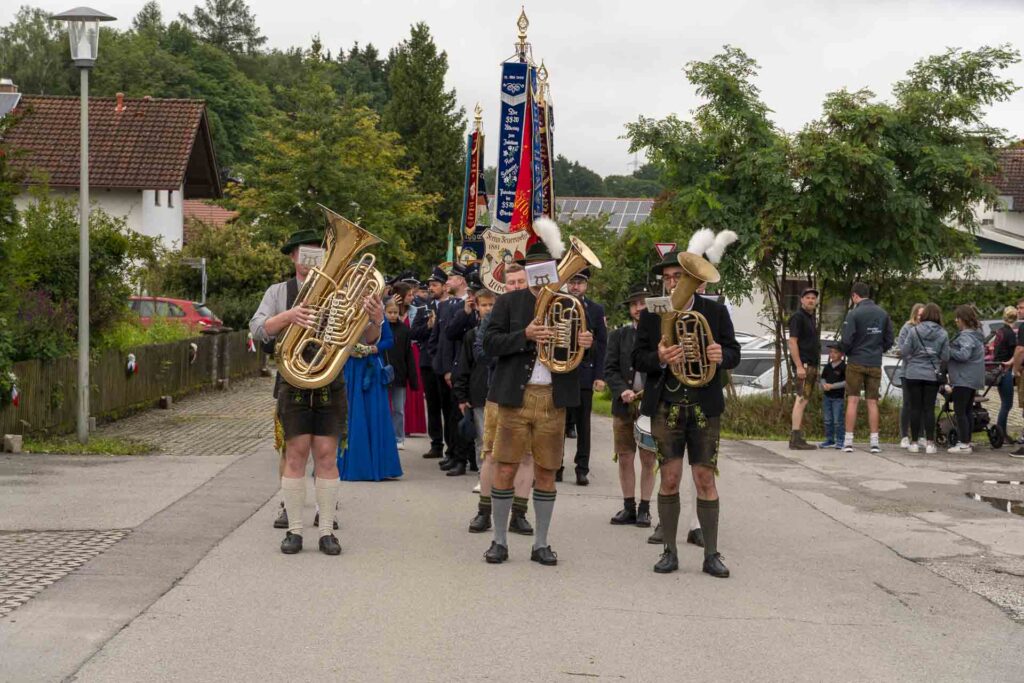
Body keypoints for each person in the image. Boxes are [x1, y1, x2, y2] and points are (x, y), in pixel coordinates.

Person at [250, 228, 384, 555]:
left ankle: (326, 531)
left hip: (329, 379)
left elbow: (367, 339)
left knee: (327, 455)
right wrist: (289, 316)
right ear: (294, 257)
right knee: (294, 454)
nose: (311, 262)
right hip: (293, 380)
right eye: (305, 254)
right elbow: (256, 329)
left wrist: (376, 320)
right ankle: (294, 530)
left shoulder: (344, 291)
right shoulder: (279, 291)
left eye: (318, 255)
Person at [481, 227, 594, 566]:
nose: (542, 273)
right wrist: (525, 334)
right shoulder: (509, 301)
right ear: (528, 271)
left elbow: (576, 354)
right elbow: (489, 344)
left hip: (552, 398)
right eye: (536, 267)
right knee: (505, 468)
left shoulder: (569, 303)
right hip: (516, 397)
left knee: (546, 471)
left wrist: (585, 346)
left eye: (548, 266)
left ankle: (541, 543)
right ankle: (499, 541)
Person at [633, 239, 741, 578]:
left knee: (705, 477)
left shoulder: (715, 312)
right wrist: (660, 359)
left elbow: (734, 352)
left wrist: (721, 355)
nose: (674, 283)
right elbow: (637, 358)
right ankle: (670, 550)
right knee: (670, 477)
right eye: (668, 278)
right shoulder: (653, 315)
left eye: (679, 276)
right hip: (667, 404)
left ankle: (711, 553)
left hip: (704, 405)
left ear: (696, 280)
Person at [467, 264, 535, 536]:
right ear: (504, 287)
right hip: (500, 390)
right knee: (491, 455)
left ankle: (519, 513)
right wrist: (519, 342)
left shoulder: (538, 310)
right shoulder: (495, 313)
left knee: (528, 456)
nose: (517, 287)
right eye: (512, 283)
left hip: (530, 391)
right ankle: (484, 510)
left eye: (521, 282)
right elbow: (482, 352)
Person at [606, 285, 656, 526]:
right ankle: (629, 506)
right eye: (635, 304)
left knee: (648, 458)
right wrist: (621, 390)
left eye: (644, 303)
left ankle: (645, 507)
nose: (639, 308)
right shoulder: (618, 336)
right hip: (624, 404)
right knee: (625, 456)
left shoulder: (659, 335)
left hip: (650, 405)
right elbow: (610, 368)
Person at [338, 308, 403, 480]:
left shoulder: (378, 312)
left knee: (375, 413)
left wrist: (373, 349)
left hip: (371, 369)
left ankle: (376, 466)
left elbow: (389, 341)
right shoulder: (344, 309)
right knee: (349, 413)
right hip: (349, 368)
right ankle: (344, 464)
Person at [560, 269, 607, 485]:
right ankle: (556, 465)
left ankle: (582, 468)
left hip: (584, 373)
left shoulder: (596, 310)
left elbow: (602, 344)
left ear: (586, 285)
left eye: (580, 283)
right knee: (558, 423)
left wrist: (599, 375)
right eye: (572, 282)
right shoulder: (558, 304)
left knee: (583, 425)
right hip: (561, 371)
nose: (575, 286)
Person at [433, 262, 477, 476]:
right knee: (453, 414)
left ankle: (466, 457)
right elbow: (446, 337)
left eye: (451, 278)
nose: (447, 282)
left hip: (472, 366)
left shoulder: (475, 303)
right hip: (456, 366)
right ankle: (455, 454)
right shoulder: (449, 305)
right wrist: (445, 367)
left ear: (461, 281)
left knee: (465, 414)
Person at [840, 282, 895, 454]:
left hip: (856, 360)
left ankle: (848, 441)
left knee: (853, 400)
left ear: (854, 296)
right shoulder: (883, 313)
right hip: (874, 362)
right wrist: (878, 350)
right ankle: (874, 442)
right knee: (872, 402)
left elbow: (847, 340)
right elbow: (889, 339)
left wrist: (849, 352)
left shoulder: (853, 314)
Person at [898, 303, 949, 454]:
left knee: (914, 408)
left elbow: (905, 351)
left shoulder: (914, 330)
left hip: (913, 373)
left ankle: (913, 442)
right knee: (928, 409)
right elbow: (945, 356)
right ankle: (930, 443)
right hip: (931, 375)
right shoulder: (943, 333)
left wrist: (915, 355)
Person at [410, 268, 448, 460]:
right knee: (433, 406)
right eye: (430, 285)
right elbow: (414, 333)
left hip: (446, 362)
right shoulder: (425, 308)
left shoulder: (451, 305)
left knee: (449, 407)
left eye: (435, 285)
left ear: (444, 286)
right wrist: (428, 326)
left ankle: (453, 447)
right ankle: (436, 444)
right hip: (428, 362)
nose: (431, 288)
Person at [946, 304, 985, 455]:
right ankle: (967, 441)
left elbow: (963, 355)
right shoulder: (977, 335)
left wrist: (948, 350)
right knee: (967, 410)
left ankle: (963, 444)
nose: (956, 321)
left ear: (962, 319)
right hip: (972, 379)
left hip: (963, 379)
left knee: (960, 411)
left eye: (957, 318)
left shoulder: (966, 336)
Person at [392, 281, 428, 437]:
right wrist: (392, 305)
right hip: (394, 352)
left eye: (412, 295)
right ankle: (396, 429)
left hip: (412, 351)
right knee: (396, 391)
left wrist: (427, 327)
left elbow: (415, 333)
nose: (412, 298)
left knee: (412, 386)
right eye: (409, 295)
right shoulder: (390, 310)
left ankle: (410, 426)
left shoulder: (415, 311)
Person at [788, 288, 820, 450]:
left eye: (813, 298)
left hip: (811, 364)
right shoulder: (798, 317)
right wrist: (799, 366)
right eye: (807, 297)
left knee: (804, 399)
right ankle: (795, 438)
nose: (810, 300)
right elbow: (792, 342)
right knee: (800, 399)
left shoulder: (811, 317)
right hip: (804, 365)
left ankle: (797, 436)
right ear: (801, 300)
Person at [384, 300, 418, 451]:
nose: (392, 315)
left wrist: (413, 378)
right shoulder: (380, 329)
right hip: (383, 373)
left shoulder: (404, 330)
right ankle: (385, 436)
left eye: (395, 312)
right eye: (389, 312)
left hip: (399, 374)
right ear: (384, 312)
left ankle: (399, 437)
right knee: (383, 407)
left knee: (398, 409)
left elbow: (408, 355)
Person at [895, 303, 925, 449]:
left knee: (921, 405)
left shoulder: (928, 329)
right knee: (908, 404)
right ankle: (904, 436)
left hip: (923, 373)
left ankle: (920, 435)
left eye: (923, 315)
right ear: (914, 314)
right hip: (908, 371)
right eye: (919, 314)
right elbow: (902, 349)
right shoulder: (907, 328)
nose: (921, 317)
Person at [991, 306, 1018, 440]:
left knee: (1004, 402)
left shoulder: (1000, 331)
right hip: (1006, 369)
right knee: (1007, 404)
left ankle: (1000, 431)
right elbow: (1016, 352)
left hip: (997, 368)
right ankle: (1001, 433)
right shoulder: (1011, 334)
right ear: (1016, 318)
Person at [819, 343, 847, 449]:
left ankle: (840, 440)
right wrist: (824, 385)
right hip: (827, 396)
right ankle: (829, 440)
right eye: (831, 352)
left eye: (835, 352)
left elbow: (846, 382)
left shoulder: (844, 367)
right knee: (827, 419)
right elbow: (822, 378)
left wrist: (833, 386)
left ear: (842, 354)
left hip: (838, 398)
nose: (832, 354)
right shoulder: (827, 366)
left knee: (837, 420)